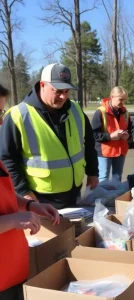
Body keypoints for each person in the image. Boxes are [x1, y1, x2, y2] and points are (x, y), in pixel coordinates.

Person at [0, 63, 99, 209]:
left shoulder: (76, 110)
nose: (63, 96)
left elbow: (89, 143)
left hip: (74, 192)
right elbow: (7, 158)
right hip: (40, 198)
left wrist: (92, 171)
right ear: (42, 85)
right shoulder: (18, 115)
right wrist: (23, 191)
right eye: (57, 91)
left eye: (67, 91)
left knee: (75, 231)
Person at [0, 84, 60, 300]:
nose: (0, 122)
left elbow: (4, 198)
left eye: (1, 113)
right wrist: (14, 220)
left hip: (14, 272)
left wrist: (29, 205)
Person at [91, 86, 132, 181]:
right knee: (103, 178)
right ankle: (101, 196)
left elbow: (130, 129)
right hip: (105, 152)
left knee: (117, 178)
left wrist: (127, 135)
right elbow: (93, 134)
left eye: (124, 100)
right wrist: (110, 136)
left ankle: (115, 196)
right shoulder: (101, 112)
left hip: (121, 151)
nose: (122, 103)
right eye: (120, 99)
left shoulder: (125, 112)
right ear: (112, 97)